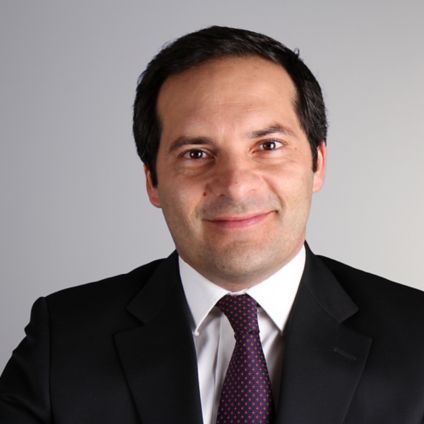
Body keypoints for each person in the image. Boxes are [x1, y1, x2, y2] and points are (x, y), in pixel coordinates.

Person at [1, 26, 423, 424]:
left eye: (268, 145)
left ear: (318, 164)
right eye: (196, 154)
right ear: (152, 181)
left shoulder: (417, 336)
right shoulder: (62, 341)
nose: (236, 186)